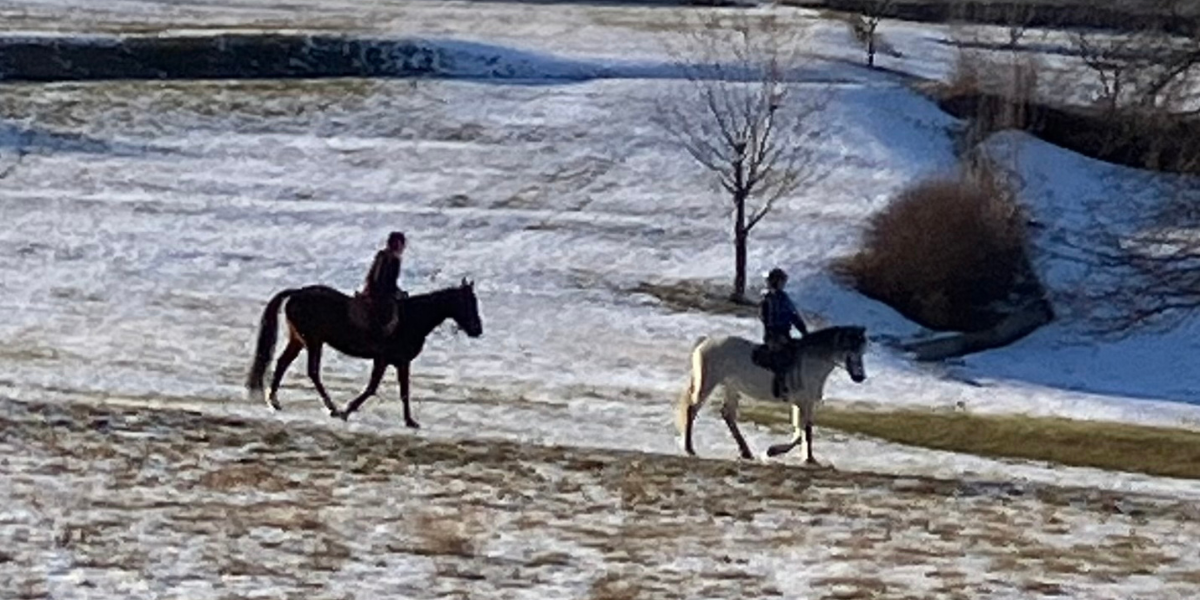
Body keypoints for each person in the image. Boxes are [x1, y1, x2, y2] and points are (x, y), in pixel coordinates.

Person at [759, 267, 809, 399]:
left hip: (785, 334)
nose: (783, 284)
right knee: (782, 357)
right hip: (773, 336)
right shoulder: (768, 299)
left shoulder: (784, 298)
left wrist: (804, 331)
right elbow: (767, 319)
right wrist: (776, 335)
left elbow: (793, 315)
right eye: (781, 281)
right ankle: (780, 387)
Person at [361, 231, 407, 343]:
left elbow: (374, 277)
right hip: (380, 294)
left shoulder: (382, 255)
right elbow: (385, 281)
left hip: (375, 291)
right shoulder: (391, 259)